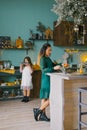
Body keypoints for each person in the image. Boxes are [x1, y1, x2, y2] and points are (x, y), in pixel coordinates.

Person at [33, 43, 61, 121]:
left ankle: (42, 115)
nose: (50, 52)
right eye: (49, 50)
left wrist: (61, 64)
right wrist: (54, 68)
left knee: (44, 98)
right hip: (46, 80)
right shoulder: (43, 59)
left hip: (48, 80)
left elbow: (53, 65)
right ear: (45, 50)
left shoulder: (48, 58)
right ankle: (38, 110)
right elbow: (44, 70)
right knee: (51, 98)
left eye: (51, 50)